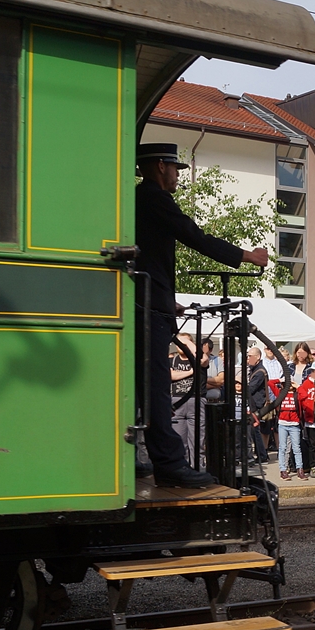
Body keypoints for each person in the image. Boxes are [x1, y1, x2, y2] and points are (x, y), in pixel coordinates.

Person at [134, 142, 268, 488]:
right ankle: (168, 463)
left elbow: (148, 258)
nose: (179, 174)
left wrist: (167, 299)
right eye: (176, 168)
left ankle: (139, 456)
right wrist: (246, 256)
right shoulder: (154, 198)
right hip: (149, 308)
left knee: (141, 386)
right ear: (161, 166)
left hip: (153, 302)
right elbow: (195, 236)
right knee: (156, 388)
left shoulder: (139, 200)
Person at [170, 334, 208, 470]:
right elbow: (171, 375)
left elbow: (204, 359)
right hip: (177, 401)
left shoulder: (198, 359)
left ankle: (198, 468)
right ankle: (183, 469)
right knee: (179, 440)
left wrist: (187, 342)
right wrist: (191, 372)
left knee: (197, 438)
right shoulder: (172, 360)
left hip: (196, 400)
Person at [268, 374, 305, 480]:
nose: (288, 385)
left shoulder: (297, 394)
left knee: (297, 448)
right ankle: (283, 470)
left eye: (290, 383)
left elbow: (305, 395)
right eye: (286, 383)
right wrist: (280, 379)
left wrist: (298, 386)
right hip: (283, 424)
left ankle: (300, 469)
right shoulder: (280, 393)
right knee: (282, 448)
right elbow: (270, 383)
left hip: (294, 425)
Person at [244, 346, 271, 467]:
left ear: (258, 357)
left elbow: (251, 388)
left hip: (257, 405)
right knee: (255, 431)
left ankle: (262, 455)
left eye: (250, 356)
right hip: (254, 403)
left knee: (255, 431)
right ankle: (261, 454)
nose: (248, 358)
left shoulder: (260, 372)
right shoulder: (254, 369)